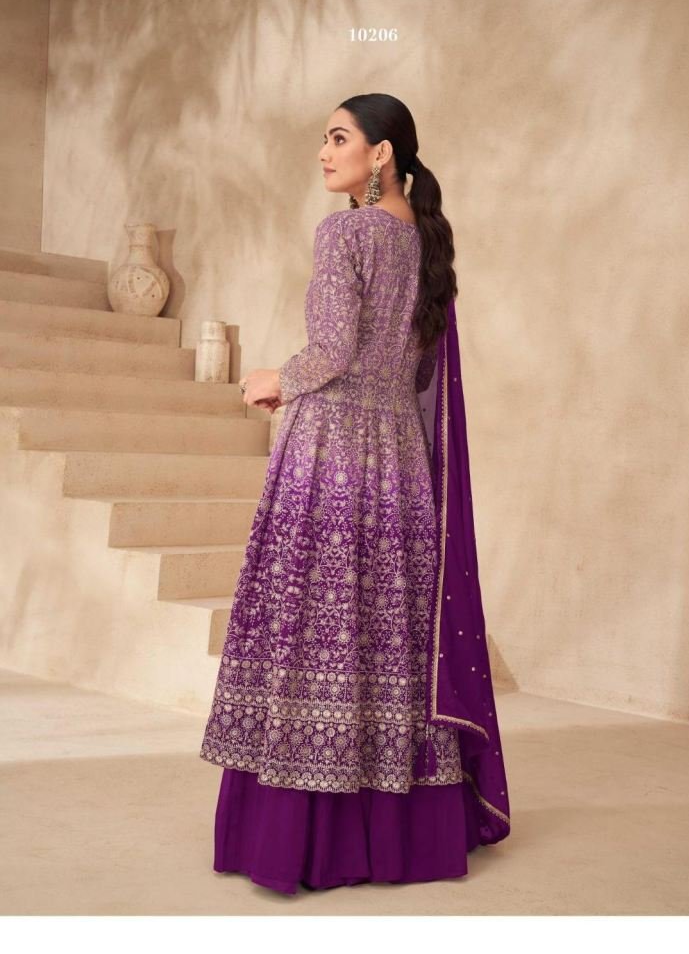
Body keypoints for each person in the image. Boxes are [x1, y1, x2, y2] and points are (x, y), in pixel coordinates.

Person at [199, 93, 511, 895]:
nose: (323, 152)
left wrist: (276, 377)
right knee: (384, 635)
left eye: (338, 138)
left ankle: (303, 839)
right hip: (400, 460)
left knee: (317, 630)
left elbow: (333, 348)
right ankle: (402, 838)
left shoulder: (346, 231)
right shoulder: (427, 242)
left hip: (332, 452)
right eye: (323, 138)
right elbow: (417, 373)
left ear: (380, 155)